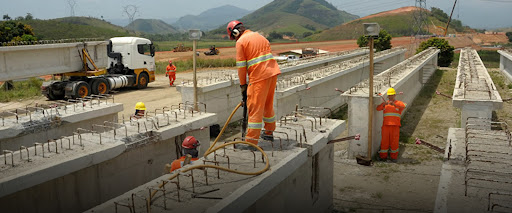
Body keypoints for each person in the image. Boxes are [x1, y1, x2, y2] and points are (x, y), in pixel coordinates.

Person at [226, 20, 281, 145]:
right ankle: (268, 132)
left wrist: (243, 85)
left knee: (254, 108)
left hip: (259, 77)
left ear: (235, 33)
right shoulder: (260, 37)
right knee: (267, 104)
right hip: (272, 74)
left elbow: (241, 67)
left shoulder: (241, 42)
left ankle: (251, 141)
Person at [376, 88, 407, 162]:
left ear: (394, 95)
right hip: (386, 126)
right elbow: (378, 109)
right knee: (384, 141)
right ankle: (383, 157)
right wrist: (384, 104)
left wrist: (395, 104)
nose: (390, 97)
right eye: (389, 96)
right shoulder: (385, 104)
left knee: (394, 142)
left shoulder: (398, 103)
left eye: (392, 95)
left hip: (395, 126)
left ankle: (393, 157)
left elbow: (404, 106)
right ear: (388, 96)